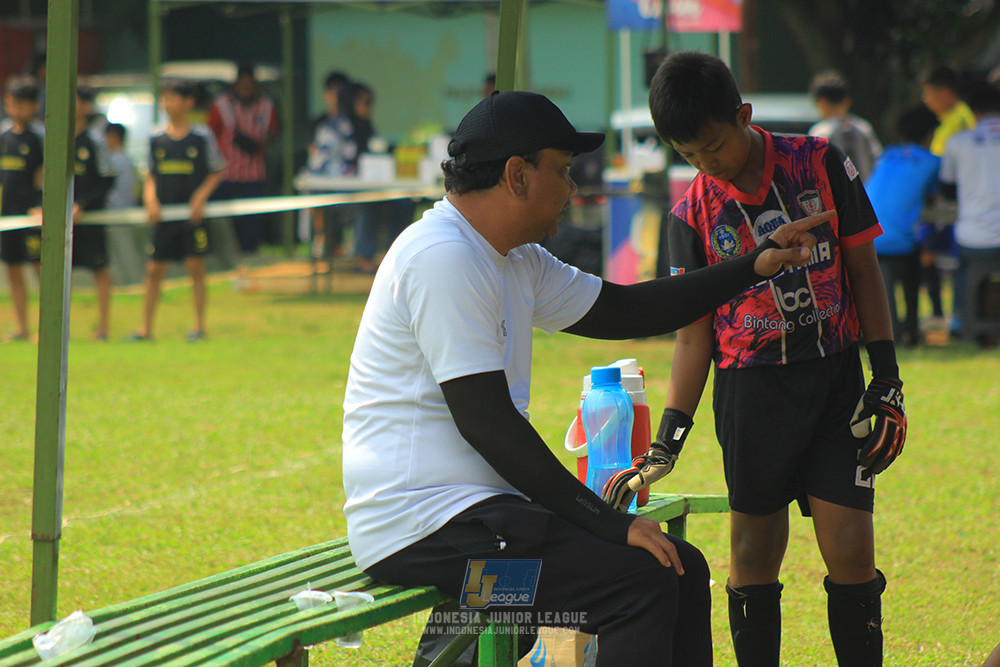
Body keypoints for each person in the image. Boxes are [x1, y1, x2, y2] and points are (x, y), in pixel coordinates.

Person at [342, 90, 828, 667]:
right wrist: (608, 523)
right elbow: (488, 424)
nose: (573, 189)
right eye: (563, 171)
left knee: (680, 566)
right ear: (517, 175)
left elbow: (628, 310)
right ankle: (461, 644)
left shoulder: (514, 257)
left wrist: (754, 264)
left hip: (481, 519)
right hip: (422, 530)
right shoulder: (443, 256)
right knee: (637, 582)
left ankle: (461, 645)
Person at [634, 52, 905, 667]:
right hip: (750, 396)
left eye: (712, 146)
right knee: (753, 551)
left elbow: (863, 269)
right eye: (688, 155)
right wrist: (668, 439)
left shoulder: (820, 162)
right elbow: (691, 336)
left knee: (852, 551)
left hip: (836, 383)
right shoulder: (691, 213)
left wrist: (885, 379)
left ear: (744, 115)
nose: (705, 164)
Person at [132, 80, 224, 342]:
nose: (168, 104)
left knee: (195, 267)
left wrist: (200, 198)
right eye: (165, 99)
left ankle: (198, 327)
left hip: (192, 218)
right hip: (164, 218)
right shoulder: (155, 137)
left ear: (188, 103)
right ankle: (145, 328)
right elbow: (149, 174)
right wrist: (150, 200)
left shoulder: (202, 136)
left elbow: (217, 170)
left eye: (173, 98)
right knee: (153, 270)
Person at [865, 106, 941, 347]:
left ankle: (898, 331)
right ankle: (911, 329)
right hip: (898, 244)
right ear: (930, 134)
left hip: (866, 237)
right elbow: (938, 195)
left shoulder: (886, 155)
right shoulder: (932, 162)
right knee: (914, 256)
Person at [939, 83, 1000, 347]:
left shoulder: (958, 142)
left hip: (974, 239)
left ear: (972, 111)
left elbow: (947, 188)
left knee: (963, 266)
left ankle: (962, 323)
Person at [207, 64, 278, 256]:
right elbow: (210, 135)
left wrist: (261, 142)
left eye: (250, 84)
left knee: (253, 217)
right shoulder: (221, 105)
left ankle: (249, 254)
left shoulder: (266, 105)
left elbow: (273, 132)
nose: (246, 88)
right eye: (242, 84)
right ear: (235, 84)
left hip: (254, 172)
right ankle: (217, 252)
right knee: (215, 213)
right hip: (226, 172)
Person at [0, 75, 44, 342]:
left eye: (22, 104)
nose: (17, 110)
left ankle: (48, 327)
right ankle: (21, 327)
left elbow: (49, 175)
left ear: (34, 106)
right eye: (12, 103)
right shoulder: (3, 135)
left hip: (34, 217)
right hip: (8, 215)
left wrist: (42, 207)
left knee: (40, 270)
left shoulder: (40, 136)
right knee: (13, 270)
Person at [70, 86, 115, 341]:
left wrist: (82, 205)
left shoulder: (96, 141)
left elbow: (107, 180)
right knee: (58, 272)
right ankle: (59, 328)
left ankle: (104, 328)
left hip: (91, 218)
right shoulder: (55, 138)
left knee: (99, 270)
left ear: (86, 106)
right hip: (63, 221)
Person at [306, 70, 353, 259]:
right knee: (318, 201)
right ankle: (321, 242)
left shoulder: (353, 122)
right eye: (333, 92)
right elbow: (314, 153)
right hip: (322, 182)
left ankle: (344, 246)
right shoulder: (319, 122)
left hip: (348, 184)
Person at [808, 70, 882, 181]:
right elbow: (878, 161)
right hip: (866, 194)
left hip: (834, 196)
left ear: (821, 102)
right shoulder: (863, 128)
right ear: (847, 101)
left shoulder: (819, 133)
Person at [921, 65, 976, 157]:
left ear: (944, 93)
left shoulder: (963, 121)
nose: (924, 99)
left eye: (928, 92)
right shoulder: (947, 121)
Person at [103, 122, 139, 210]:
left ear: (112, 137)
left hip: (114, 210)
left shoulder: (112, 162)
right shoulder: (129, 161)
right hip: (129, 209)